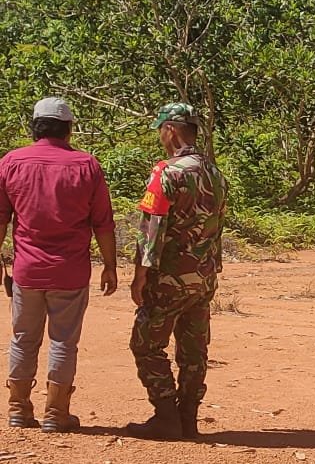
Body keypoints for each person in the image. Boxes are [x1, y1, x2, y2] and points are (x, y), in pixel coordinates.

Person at [0, 97, 117, 432]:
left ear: (34, 126)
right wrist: (110, 265)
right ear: (68, 129)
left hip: (27, 271)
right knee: (63, 340)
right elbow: (103, 223)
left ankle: (18, 409)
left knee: (23, 337)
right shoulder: (86, 165)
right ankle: (56, 412)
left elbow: (0, 219)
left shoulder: (11, 162)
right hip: (71, 271)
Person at [126, 103, 228, 440]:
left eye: (160, 130)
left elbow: (151, 228)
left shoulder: (166, 173)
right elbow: (217, 227)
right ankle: (188, 419)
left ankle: (165, 414)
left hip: (169, 278)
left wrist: (141, 275)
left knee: (145, 343)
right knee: (194, 349)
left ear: (170, 129)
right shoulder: (215, 173)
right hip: (203, 276)